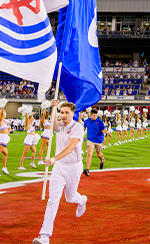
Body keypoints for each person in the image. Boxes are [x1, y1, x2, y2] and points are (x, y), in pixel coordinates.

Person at [33, 100, 88, 244]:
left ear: (73, 114)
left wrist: (53, 159)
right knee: (53, 200)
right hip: (59, 167)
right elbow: (54, 124)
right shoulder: (60, 126)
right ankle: (44, 236)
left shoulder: (77, 127)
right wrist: (54, 107)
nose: (63, 115)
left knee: (70, 197)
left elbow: (70, 148)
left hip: (73, 167)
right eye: (61, 112)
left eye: (66, 113)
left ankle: (82, 200)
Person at [83, 109, 107, 177]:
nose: (95, 117)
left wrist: (106, 131)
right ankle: (87, 169)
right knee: (89, 153)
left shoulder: (100, 121)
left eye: (96, 115)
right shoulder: (86, 121)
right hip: (90, 140)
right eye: (94, 115)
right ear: (90, 115)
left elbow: (102, 130)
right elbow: (83, 129)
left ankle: (102, 160)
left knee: (98, 154)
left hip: (98, 140)